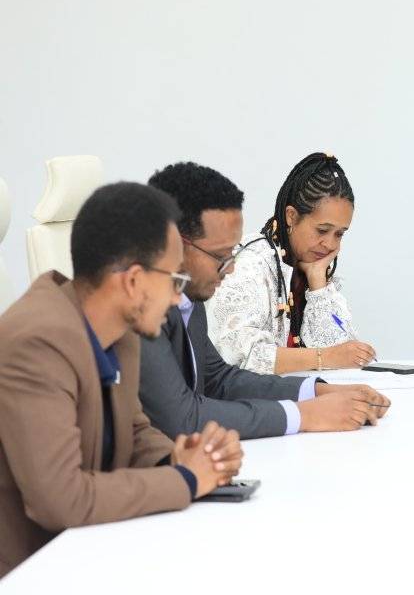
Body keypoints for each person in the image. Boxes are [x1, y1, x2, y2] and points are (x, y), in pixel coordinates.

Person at [0, 182, 243, 576]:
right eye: (174, 281)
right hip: (29, 571)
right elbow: (60, 500)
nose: (177, 299)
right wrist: (185, 479)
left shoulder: (120, 332)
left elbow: (133, 428)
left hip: (89, 552)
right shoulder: (37, 342)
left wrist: (178, 456)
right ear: (132, 282)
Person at [141, 162, 390, 440]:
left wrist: (318, 391)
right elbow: (182, 418)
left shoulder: (190, 296)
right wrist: (305, 414)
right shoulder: (140, 310)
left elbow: (219, 380)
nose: (230, 269)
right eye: (221, 256)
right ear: (174, 244)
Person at [209, 153, 376, 375]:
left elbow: (343, 355)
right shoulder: (249, 265)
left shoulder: (312, 268)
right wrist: (325, 357)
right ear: (291, 216)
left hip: (300, 393)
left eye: (339, 234)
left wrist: (318, 285)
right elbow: (240, 356)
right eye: (322, 230)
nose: (330, 244)